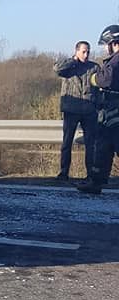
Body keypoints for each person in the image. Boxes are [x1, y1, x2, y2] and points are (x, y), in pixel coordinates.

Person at [77, 25, 119, 194]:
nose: (104, 48)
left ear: (113, 43)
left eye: (105, 44)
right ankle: (96, 181)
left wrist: (94, 79)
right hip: (109, 111)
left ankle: (96, 181)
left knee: (111, 143)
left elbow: (105, 80)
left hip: (115, 109)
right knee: (103, 146)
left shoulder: (116, 60)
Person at [54, 40, 98, 181]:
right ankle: (64, 172)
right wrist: (73, 61)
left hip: (89, 110)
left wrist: (97, 104)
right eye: (83, 51)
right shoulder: (69, 67)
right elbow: (57, 69)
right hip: (71, 109)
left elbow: (99, 86)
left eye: (88, 52)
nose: (86, 54)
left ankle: (90, 173)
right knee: (67, 142)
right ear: (77, 51)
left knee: (90, 144)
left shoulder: (94, 67)